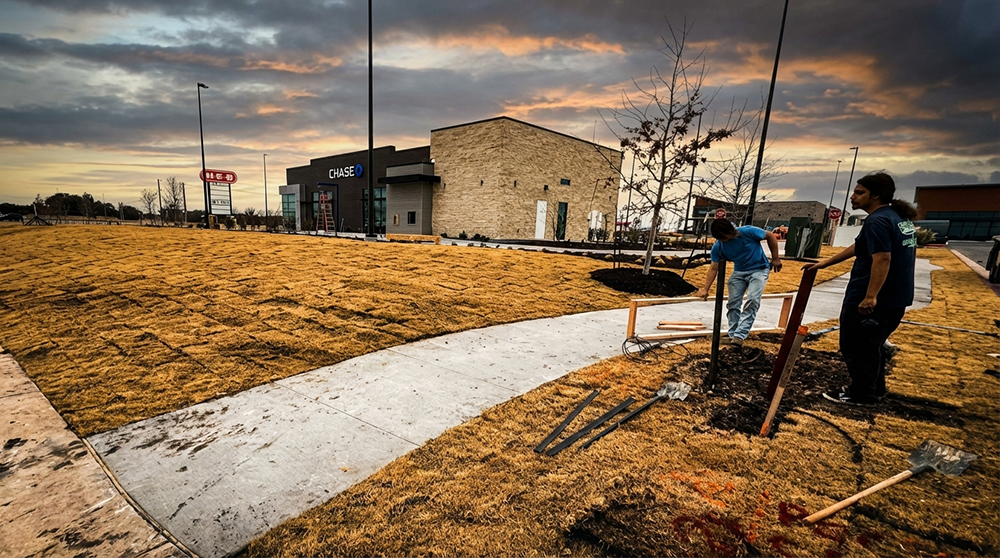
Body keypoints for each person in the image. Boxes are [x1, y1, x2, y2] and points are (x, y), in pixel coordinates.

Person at [804, 172, 917, 405]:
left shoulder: (878, 220)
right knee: (871, 345)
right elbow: (860, 246)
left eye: (859, 192)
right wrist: (825, 263)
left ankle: (862, 393)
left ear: (875, 195)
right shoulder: (895, 217)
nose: (852, 197)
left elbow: (882, 258)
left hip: (876, 299)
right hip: (897, 298)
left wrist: (870, 296)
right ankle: (875, 389)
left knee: (856, 345)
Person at [697, 218, 783, 346]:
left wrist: (776, 258)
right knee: (733, 304)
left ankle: (740, 335)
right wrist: (705, 288)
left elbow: (770, 235)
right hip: (739, 272)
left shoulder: (747, 231)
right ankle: (734, 336)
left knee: (753, 300)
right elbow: (714, 267)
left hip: (759, 269)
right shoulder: (719, 246)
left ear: (730, 231)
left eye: (724, 237)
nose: (723, 241)